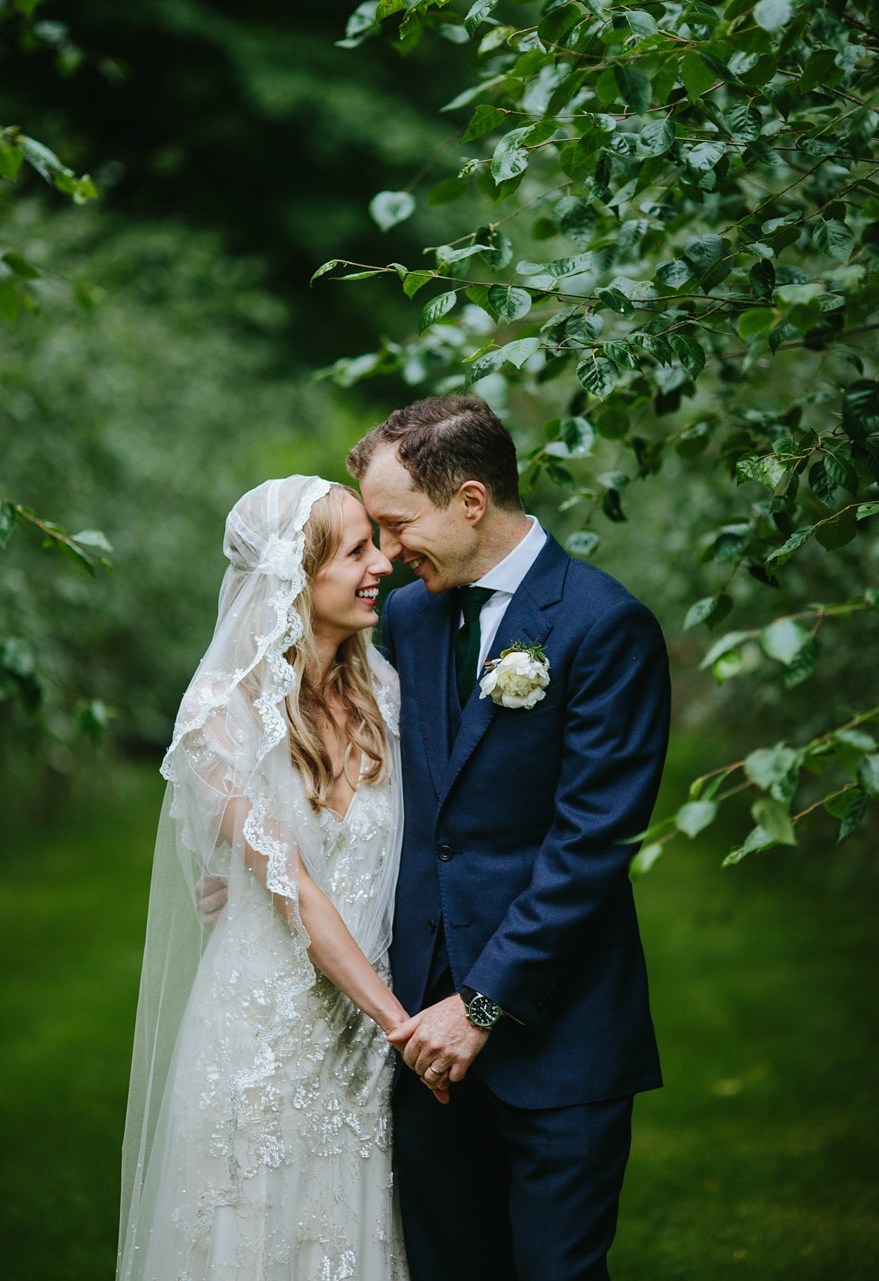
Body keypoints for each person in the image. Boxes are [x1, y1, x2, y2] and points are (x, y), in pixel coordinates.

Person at [345, 394, 671, 1281]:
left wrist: (481, 1004)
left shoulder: (604, 626)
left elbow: (592, 844)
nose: (384, 554)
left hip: (559, 1031)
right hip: (421, 1034)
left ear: (473, 502)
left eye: (395, 525)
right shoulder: (409, 620)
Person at [116, 475, 413, 1281]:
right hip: (264, 1036)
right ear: (297, 574)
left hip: (364, 1039)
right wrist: (402, 1027)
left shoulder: (386, 689)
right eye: (355, 550)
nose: (381, 563)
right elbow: (294, 886)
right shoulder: (220, 712)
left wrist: (391, 1025)